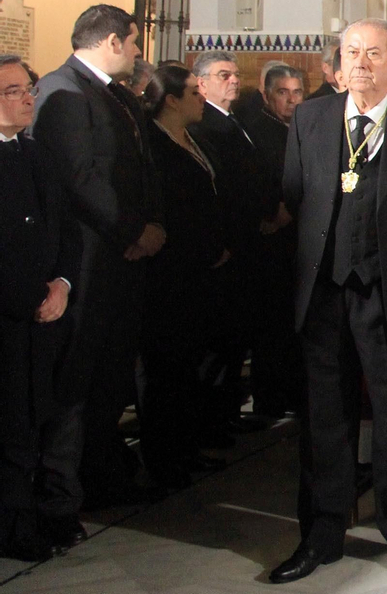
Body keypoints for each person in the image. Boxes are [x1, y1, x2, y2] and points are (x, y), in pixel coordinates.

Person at [269, 19, 387, 583]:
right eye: (352, 52)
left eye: (374, 53)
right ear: (338, 62)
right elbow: (296, 193)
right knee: (325, 420)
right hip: (323, 294)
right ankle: (321, 536)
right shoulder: (311, 118)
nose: (361, 63)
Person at [31, 5, 164, 538]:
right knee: (75, 382)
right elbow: (80, 179)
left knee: (110, 377)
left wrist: (153, 223)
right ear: (111, 41)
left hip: (121, 261)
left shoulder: (116, 93)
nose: (137, 53)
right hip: (88, 261)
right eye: (133, 42)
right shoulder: (62, 92)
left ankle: (102, 478)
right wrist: (132, 231)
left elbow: (140, 168)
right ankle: (59, 500)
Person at [140, 65, 230, 489]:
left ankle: (188, 447)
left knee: (191, 365)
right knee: (167, 370)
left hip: (204, 272)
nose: (202, 97)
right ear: (171, 100)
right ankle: (165, 459)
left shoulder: (196, 139)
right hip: (171, 274)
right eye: (194, 91)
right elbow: (169, 209)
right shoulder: (154, 146)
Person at [0, 56, 71, 563]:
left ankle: (25, 518)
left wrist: (63, 285)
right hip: (7, 315)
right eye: (14, 91)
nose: (28, 99)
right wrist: (29, 297)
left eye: (29, 89)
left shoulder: (38, 154)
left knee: (30, 423)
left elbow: (63, 230)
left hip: (42, 316)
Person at [190, 50, 279, 434]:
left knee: (235, 338)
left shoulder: (234, 120)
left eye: (235, 74)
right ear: (201, 83)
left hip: (248, 242)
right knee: (218, 342)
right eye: (223, 75)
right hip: (227, 246)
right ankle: (210, 419)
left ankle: (223, 414)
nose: (233, 81)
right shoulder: (204, 124)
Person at [246, 62, 305, 420]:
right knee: (271, 326)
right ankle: (269, 399)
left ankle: (290, 393)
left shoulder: (300, 127)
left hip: (297, 238)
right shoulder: (257, 131)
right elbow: (256, 180)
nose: (291, 100)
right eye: (283, 93)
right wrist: (276, 209)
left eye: (297, 92)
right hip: (270, 241)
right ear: (268, 96)